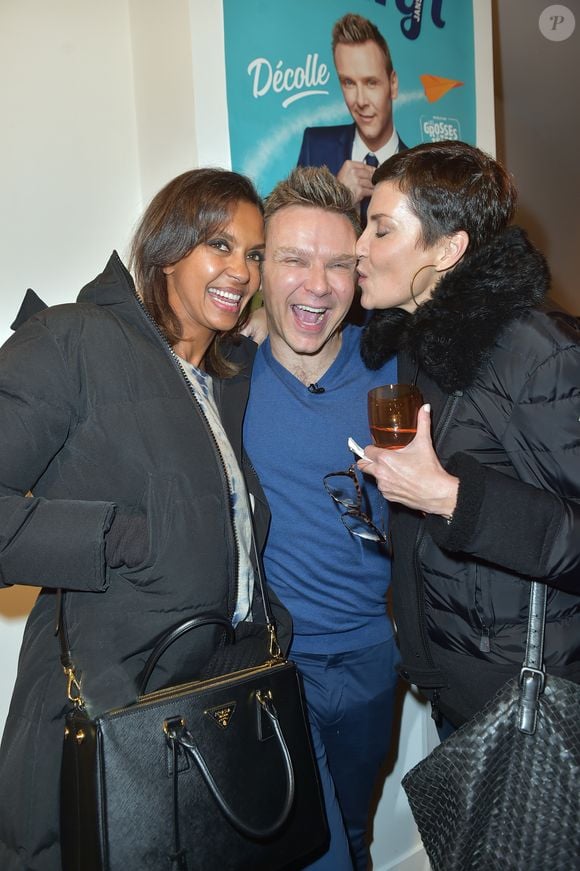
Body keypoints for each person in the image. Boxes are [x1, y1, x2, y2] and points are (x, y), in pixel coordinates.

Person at [0, 168, 292, 871]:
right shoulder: (72, 340)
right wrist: (116, 534)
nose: (241, 270)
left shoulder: (224, 378)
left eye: (253, 254)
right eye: (219, 244)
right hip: (105, 708)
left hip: (206, 708)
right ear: (166, 249)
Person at [354, 139, 580, 733]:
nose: (359, 249)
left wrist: (450, 499)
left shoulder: (539, 352)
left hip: (529, 703)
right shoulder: (420, 340)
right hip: (456, 683)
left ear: (448, 250)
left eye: (380, 230)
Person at [243, 166, 399, 871]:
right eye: (294, 259)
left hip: (375, 657)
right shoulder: (227, 384)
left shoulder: (393, 373)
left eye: (338, 263)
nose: (317, 284)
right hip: (278, 665)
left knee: (356, 829)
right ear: (261, 268)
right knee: (318, 851)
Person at [297, 13, 408, 226]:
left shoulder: (416, 171)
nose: (360, 101)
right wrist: (337, 199)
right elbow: (291, 237)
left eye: (371, 83)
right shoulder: (315, 145)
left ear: (393, 84)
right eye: (349, 82)